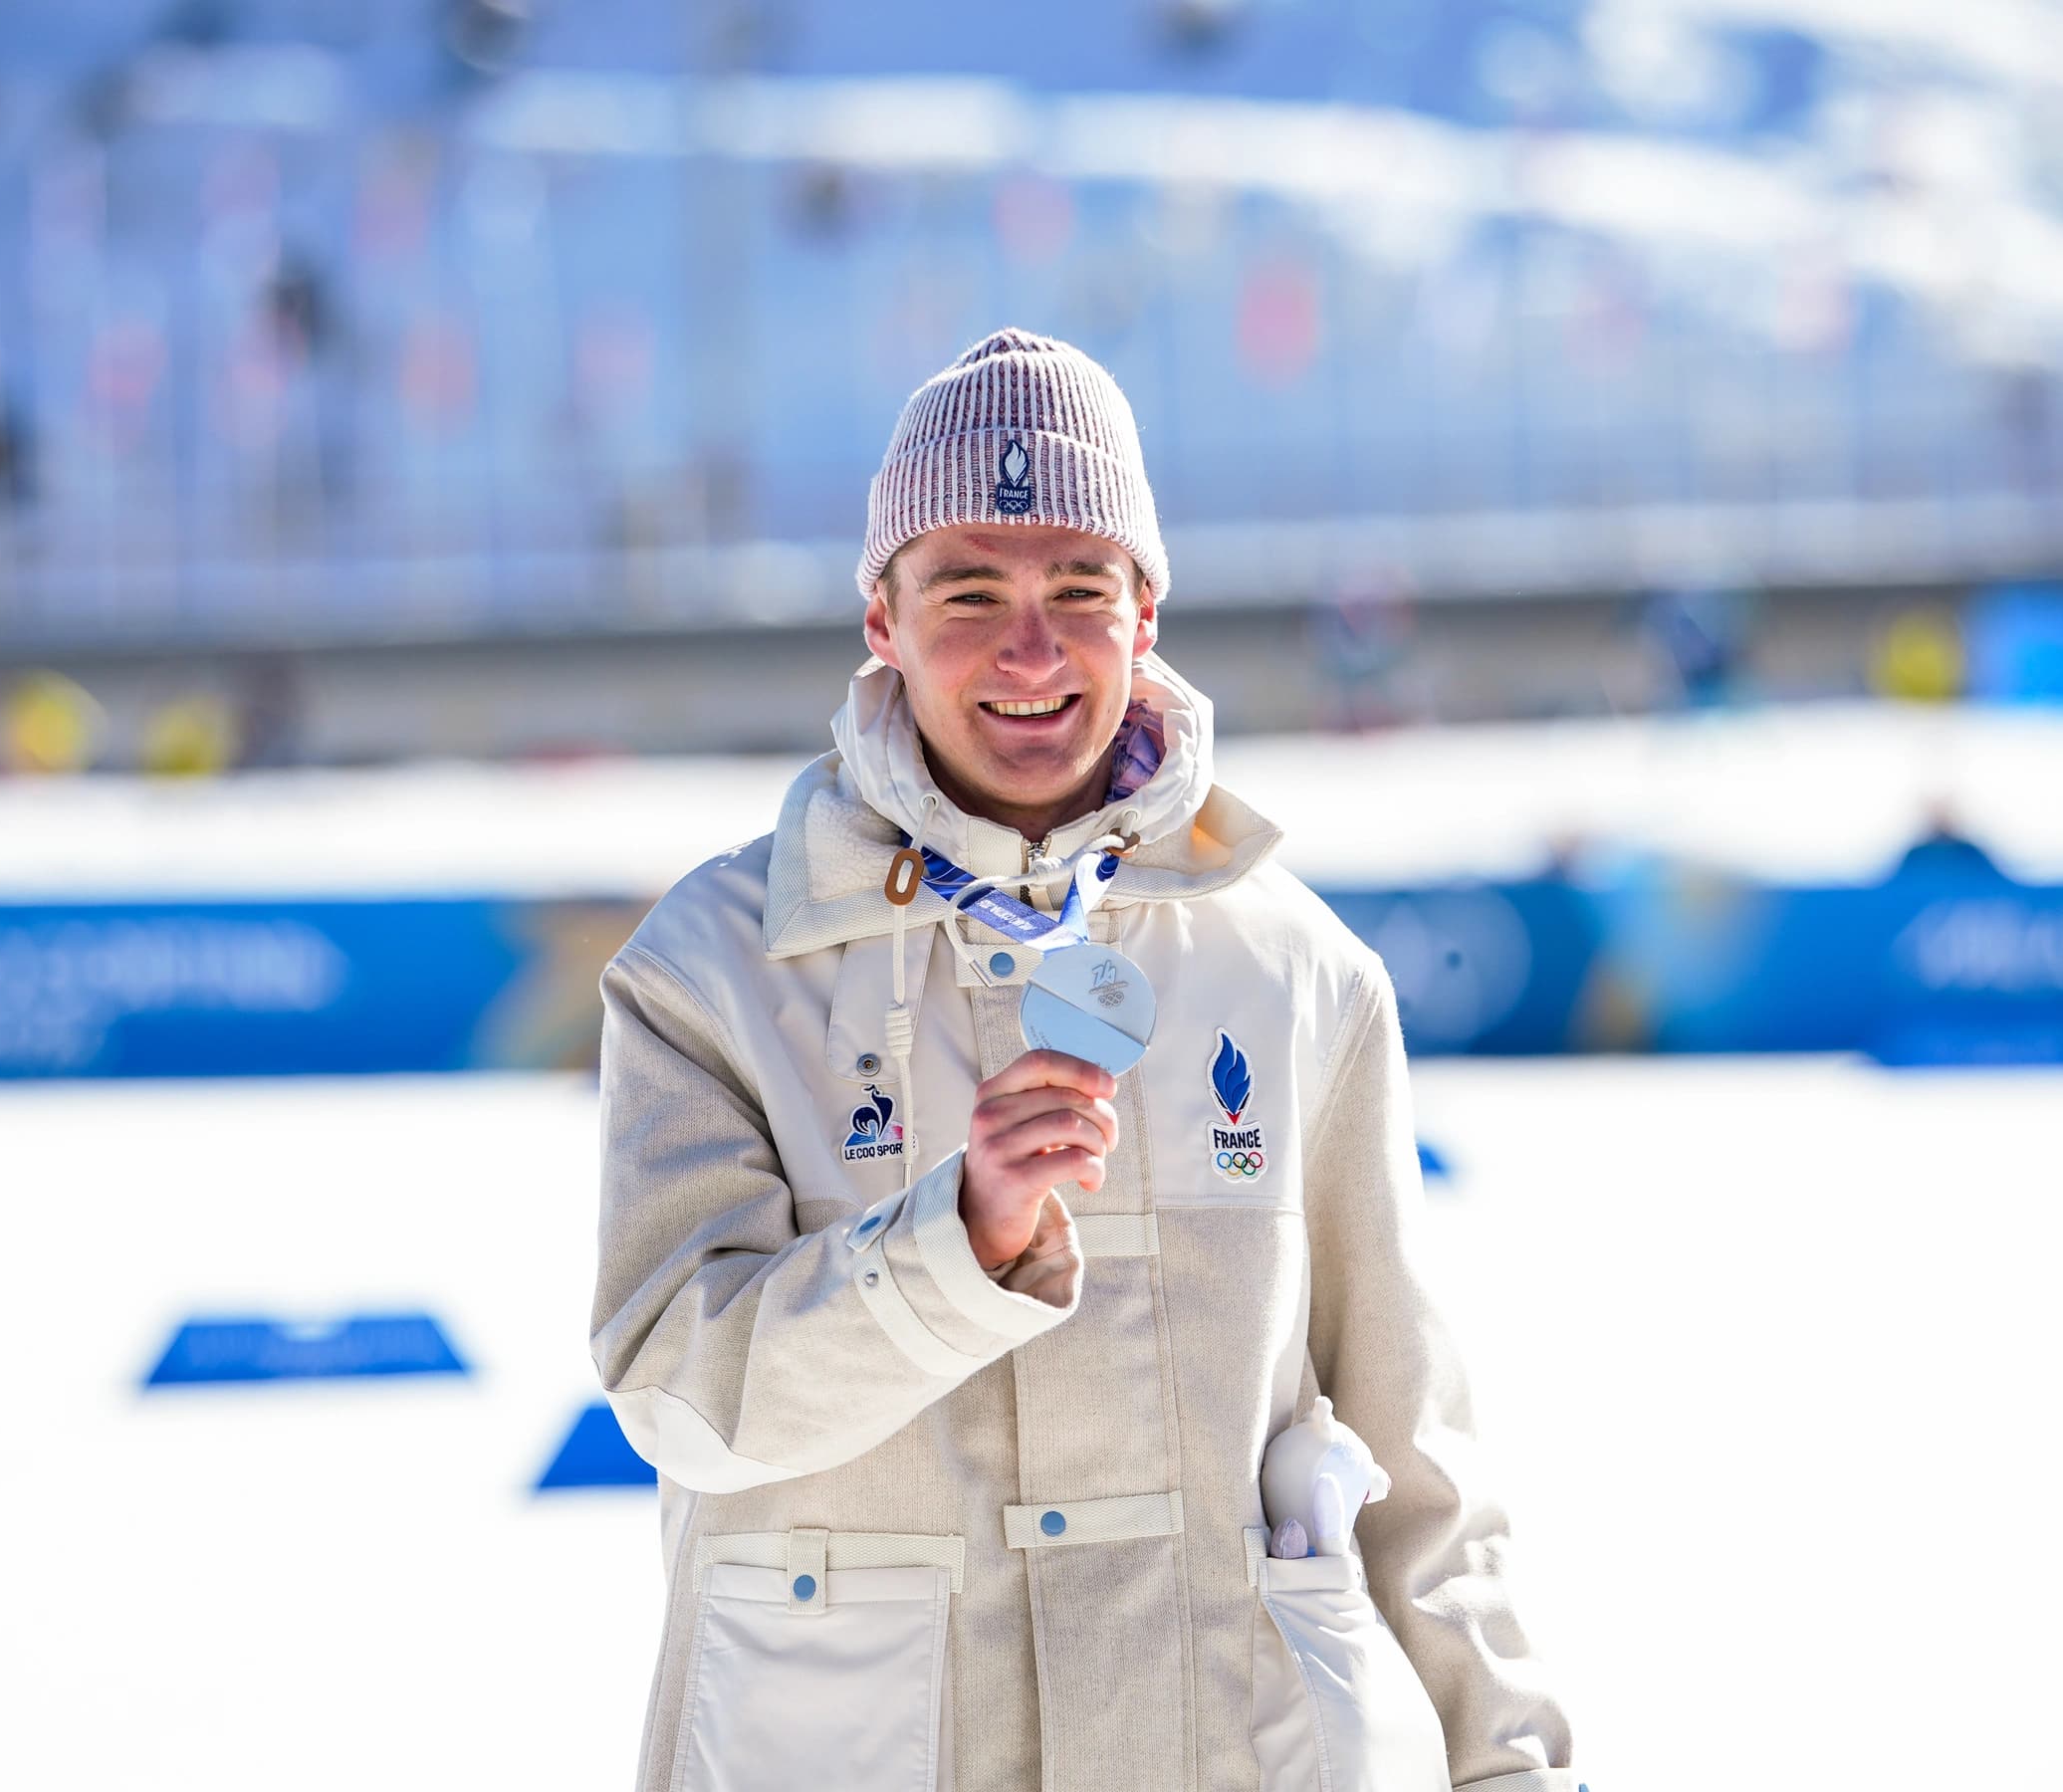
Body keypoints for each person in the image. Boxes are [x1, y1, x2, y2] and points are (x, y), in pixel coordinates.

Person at [590, 329, 1579, 1792]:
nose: (1032, 651)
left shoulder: (1297, 974)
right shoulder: (715, 969)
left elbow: (1415, 1461)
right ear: (881, 620)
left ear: (1146, 611)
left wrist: (1512, 1766)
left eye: (1078, 589)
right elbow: (677, 1393)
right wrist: (953, 1245)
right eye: (968, 593)